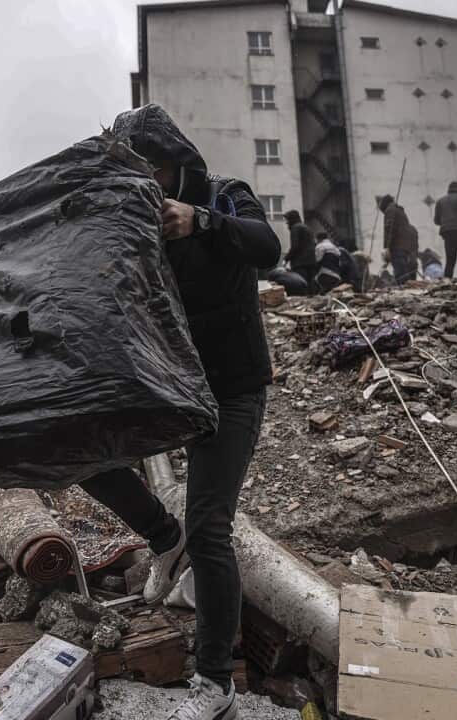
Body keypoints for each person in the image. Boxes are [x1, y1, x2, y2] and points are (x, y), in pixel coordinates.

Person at [87, 104, 280, 720]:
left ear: (178, 164)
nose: (149, 183)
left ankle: (215, 682)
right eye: (135, 173)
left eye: (156, 169)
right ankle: (163, 541)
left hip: (233, 389)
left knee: (211, 526)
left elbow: (268, 248)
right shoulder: (128, 225)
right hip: (169, 385)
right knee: (82, 453)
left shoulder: (226, 197)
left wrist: (200, 221)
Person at [379, 194, 418, 284]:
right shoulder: (400, 212)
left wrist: (386, 248)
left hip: (397, 247)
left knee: (400, 273)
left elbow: (389, 229)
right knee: (404, 271)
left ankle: (405, 290)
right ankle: (408, 287)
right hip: (405, 247)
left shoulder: (390, 210)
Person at [283, 210, 317, 285]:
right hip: (311, 261)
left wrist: (286, 258)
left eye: (288, 220)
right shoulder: (306, 227)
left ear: (292, 219)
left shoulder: (295, 228)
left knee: (301, 285)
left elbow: (295, 246)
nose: (287, 222)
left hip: (300, 263)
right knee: (310, 286)